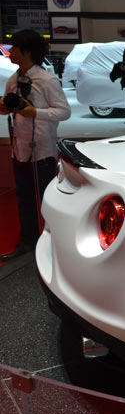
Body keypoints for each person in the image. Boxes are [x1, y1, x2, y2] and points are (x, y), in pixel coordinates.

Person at [0, 30, 71, 261]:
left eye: (14, 48)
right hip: (19, 148)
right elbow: (9, 104)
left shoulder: (46, 80)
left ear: (27, 51)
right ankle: (28, 242)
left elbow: (64, 112)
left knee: (46, 199)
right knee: (24, 197)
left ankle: (54, 244)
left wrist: (35, 112)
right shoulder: (14, 78)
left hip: (42, 150)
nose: (10, 52)